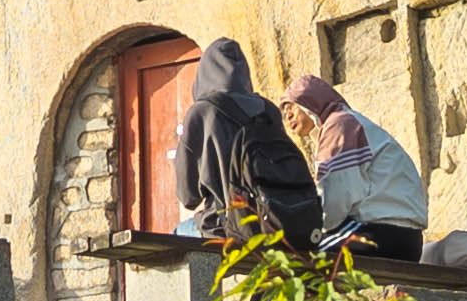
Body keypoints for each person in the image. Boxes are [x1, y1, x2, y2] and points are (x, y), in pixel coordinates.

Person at [173, 38, 322, 251]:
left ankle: (207, 285)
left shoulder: (202, 112)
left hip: (226, 226)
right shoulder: (268, 110)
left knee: (175, 237)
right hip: (279, 222)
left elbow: (187, 196)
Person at [279, 76, 428, 261]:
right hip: (405, 238)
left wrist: (304, 231)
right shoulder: (350, 123)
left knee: (294, 261)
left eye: (292, 105)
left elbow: (336, 202)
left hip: (380, 233)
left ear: (311, 101)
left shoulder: (339, 126)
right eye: (284, 111)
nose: (288, 115)